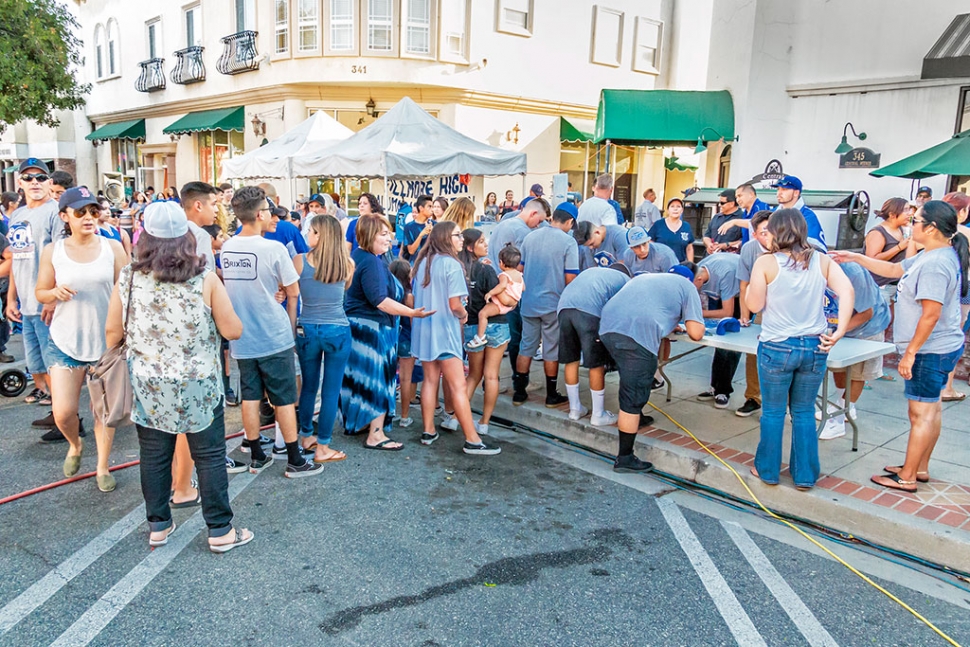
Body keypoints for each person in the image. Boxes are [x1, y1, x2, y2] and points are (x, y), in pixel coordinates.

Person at [105, 201, 253, 552]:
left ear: (146, 238)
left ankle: (158, 525)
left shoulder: (128, 278)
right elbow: (233, 330)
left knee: (154, 456)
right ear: (187, 238)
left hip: (149, 384)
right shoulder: (205, 279)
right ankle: (220, 531)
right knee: (210, 457)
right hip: (199, 383)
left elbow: (112, 333)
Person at [832, 200, 968, 491]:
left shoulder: (934, 264)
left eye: (916, 220)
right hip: (940, 347)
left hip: (930, 351)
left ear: (931, 228)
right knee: (931, 411)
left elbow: (930, 314)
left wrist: (910, 353)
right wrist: (856, 259)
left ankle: (907, 476)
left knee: (921, 414)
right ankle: (919, 467)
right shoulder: (931, 255)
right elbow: (894, 271)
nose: (911, 223)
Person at [746, 209, 854, 490]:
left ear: (776, 232)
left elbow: (755, 305)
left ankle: (768, 470)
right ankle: (805, 475)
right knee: (804, 411)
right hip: (815, 345)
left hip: (777, 346)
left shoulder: (766, 262)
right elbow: (847, 291)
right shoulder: (821, 260)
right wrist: (840, 330)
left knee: (773, 411)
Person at [221, 186, 322, 478]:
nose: (274, 215)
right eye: (268, 210)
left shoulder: (228, 247)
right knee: (283, 398)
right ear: (258, 214)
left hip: (243, 335)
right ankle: (294, 459)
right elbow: (293, 292)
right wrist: (290, 329)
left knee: (250, 396)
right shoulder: (273, 248)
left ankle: (256, 454)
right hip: (272, 333)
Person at [35, 187, 127, 489]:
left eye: (92, 211)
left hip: (106, 343)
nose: (88, 217)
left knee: (103, 411)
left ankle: (102, 467)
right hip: (64, 341)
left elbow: (127, 290)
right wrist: (53, 294)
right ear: (65, 217)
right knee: (62, 412)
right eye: (80, 212)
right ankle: (74, 444)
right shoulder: (54, 251)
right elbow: (40, 292)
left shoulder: (112, 248)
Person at [600, 269, 706, 472]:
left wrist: (668, 322)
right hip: (636, 335)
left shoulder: (648, 278)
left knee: (631, 384)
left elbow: (646, 306)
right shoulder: (688, 287)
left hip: (607, 327)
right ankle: (625, 458)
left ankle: (635, 417)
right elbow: (696, 332)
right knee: (632, 395)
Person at [411, 222, 500, 455]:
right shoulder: (452, 264)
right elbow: (454, 305)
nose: (461, 239)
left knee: (430, 380)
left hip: (425, 329)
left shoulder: (423, 264)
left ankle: (428, 430)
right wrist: (463, 314)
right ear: (445, 238)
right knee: (458, 385)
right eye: (457, 235)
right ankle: (472, 439)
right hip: (445, 330)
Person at [342, 214, 430, 449]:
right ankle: (376, 434)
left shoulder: (361, 256)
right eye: (383, 233)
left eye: (388, 233)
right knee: (377, 379)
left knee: (361, 379)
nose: (389, 238)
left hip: (362, 327)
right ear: (369, 235)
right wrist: (412, 313)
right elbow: (379, 300)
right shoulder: (370, 261)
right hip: (372, 329)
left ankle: (361, 424)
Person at [293, 214, 354, 464]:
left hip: (307, 327)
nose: (308, 234)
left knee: (309, 386)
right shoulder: (347, 264)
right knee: (330, 391)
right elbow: (343, 292)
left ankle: (306, 435)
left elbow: (290, 292)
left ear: (320, 235)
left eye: (312, 231)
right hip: (337, 329)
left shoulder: (298, 261)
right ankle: (324, 447)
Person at [6, 159, 63, 420]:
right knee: (36, 364)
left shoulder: (56, 212)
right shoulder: (17, 216)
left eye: (40, 178)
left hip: (46, 302)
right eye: (28, 178)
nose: (35, 183)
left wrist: (51, 297)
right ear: (20, 183)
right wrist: (10, 298)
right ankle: (55, 411)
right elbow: (18, 258)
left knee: (54, 363)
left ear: (50, 182)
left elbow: (61, 258)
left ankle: (65, 417)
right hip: (25, 302)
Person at [512, 202, 579, 407]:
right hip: (553, 304)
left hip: (529, 302)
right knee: (551, 349)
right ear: (570, 221)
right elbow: (571, 278)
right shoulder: (569, 243)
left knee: (526, 346)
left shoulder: (530, 237)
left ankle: (519, 392)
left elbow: (519, 269)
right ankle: (551, 395)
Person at [817, 260, 892, 440]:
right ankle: (844, 405)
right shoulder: (811, 270)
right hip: (839, 325)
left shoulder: (853, 274)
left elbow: (866, 313)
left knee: (857, 373)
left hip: (867, 328)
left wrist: (838, 331)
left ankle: (839, 419)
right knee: (839, 367)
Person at [558, 265, 631, 425]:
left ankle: (575, 409)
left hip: (563, 309)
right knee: (596, 364)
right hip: (588, 313)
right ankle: (598, 415)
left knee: (572, 360)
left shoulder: (594, 272)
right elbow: (621, 311)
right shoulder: (625, 281)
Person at [486, 198, 549, 373]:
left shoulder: (503, 224)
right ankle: (517, 380)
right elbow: (523, 265)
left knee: (496, 338)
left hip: (494, 285)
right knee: (516, 337)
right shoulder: (523, 232)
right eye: (540, 220)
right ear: (533, 213)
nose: (538, 225)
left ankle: (491, 381)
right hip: (509, 290)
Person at [459, 229, 509, 437]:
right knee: (491, 376)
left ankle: (455, 418)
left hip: (471, 325)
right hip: (496, 324)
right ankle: (484, 422)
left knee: (473, 375)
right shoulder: (486, 270)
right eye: (481, 241)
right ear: (470, 247)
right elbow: (503, 299)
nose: (486, 244)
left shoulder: (459, 270)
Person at [734, 210, 774, 418]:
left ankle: (785, 402)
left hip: (787, 306)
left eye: (771, 230)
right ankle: (753, 397)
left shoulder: (786, 245)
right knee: (755, 350)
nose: (768, 236)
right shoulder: (749, 249)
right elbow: (744, 284)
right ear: (755, 234)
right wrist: (745, 314)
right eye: (763, 232)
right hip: (761, 304)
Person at [692, 253, 743, 409]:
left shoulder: (725, 274)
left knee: (730, 345)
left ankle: (724, 391)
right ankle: (715, 386)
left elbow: (727, 312)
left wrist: (696, 313)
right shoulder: (700, 268)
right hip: (720, 294)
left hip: (740, 296)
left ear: (699, 280)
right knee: (719, 343)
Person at [939, 191, 970, 399]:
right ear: (963, 211)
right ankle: (946, 387)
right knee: (954, 338)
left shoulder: (930, 231)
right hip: (963, 290)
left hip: (936, 289)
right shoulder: (966, 234)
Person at [467, 245, 523, 349]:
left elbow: (501, 286)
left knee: (483, 314)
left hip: (499, 304)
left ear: (501, 263)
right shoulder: (519, 275)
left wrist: (491, 293)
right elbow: (523, 288)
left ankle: (480, 336)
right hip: (511, 304)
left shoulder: (504, 275)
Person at [864, 197, 913, 310]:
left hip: (896, 283)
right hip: (880, 285)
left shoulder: (900, 229)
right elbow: (871, 259)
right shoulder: (878, 232)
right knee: (882, 320)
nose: (909, 213)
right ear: (892, 214)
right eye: (905, 210)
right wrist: (899, 247)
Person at [388, 259, 417, 428]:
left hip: (391, 337)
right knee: (406, 379)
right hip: (407, 338)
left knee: (390, 377)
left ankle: (389, 413)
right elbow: (413, 322)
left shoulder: (388, 293)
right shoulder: (409, 295)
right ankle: (405, 416)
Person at [775, 176, 826, 250]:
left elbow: (818, 247)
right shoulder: (772, 213)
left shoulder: (807, 216)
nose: (779, 193)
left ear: (796, 193)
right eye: (778, 189)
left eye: (784, 189)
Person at [181, 182, 219, 272]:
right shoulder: (200, 235)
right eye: (213, 204)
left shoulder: (174, 231)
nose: (216, 210)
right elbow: (206, 274)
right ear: (198, 206)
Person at [648, 198, 695, 263]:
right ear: (668, 210)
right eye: (672, 206)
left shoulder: (686, 226)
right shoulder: (658, 224)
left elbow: (689, 248)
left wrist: (691, 265)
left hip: (680, 265)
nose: (675, 209)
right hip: (660, 264)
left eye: (678, 206)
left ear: (682, 210)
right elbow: (649, 242)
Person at [703, 189, 743, 254]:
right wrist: (709, 244)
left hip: (730, 258)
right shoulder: (716, 217)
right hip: (710, 257)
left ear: (731, 204)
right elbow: (706, 235)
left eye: (722, 203)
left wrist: (725, 245)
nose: (719, 205)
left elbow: (744, 240)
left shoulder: (742, 218)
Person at [402, 195, 434, 263]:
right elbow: (411, 251)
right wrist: (421, 234)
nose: (432, 209)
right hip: (415, 265)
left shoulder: (435, 225)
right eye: (429, 206)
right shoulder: (408, 227)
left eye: (432, 207)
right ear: (421, 208)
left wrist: (432, 233)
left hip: (431, 264)